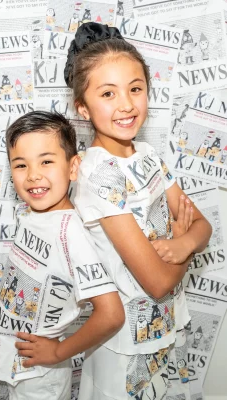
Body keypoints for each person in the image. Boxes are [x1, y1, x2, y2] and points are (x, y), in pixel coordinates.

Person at [64, 23, 212, 400]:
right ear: (82, 107)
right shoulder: (98, 174)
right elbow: (158, 282)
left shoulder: (148, 155)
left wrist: (184, 244)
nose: (127, 104)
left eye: (135, 88)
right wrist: (183, 239)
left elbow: (203, 225)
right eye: (108, 93)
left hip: (164, 327)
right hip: (125, 345)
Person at [0, 111, 125, 400]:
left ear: (73, 167)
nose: (33, 175)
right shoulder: (31, 214)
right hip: (7, 365)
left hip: (39, 380)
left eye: (46, 161)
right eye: (21, 165)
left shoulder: (71, 234)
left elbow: (111, 314)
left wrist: (59, 351)